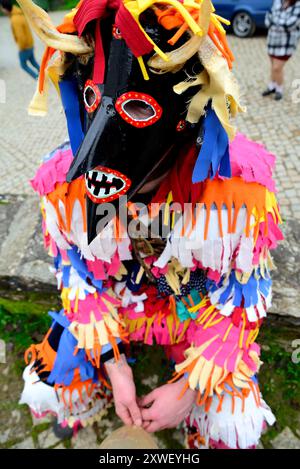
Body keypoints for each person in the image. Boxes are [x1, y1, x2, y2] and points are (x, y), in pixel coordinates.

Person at [17, 0, 283, 449]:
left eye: (138, 109)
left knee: (232, 412)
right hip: (122, 303)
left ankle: (201, 425)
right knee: (57, 372)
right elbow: (75, 272)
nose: (97, 157)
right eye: (90, 99)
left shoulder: (238, 193)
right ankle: (97, 392)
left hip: (191, 308)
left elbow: (240, 299)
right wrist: (112, 361)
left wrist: (191, 386)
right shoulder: (65, 183)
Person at [263, 0, 300, 100]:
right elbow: (268, 16)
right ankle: (272, 86)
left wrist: (274, 23)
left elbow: (291, 24)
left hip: (286, 44)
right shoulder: (278, 1)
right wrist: (275, 23)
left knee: (277, 67)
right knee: (273, 66)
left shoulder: (297, 5)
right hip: (272, 40)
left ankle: (279, 89)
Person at [0, 0, 40, 80]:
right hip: (30, 44)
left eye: (2, 8)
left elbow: (21, 37)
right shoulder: (19, 13)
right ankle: (43, 74)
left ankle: (36, 77)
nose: (1, 10)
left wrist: (21, 49)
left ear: (5, 9)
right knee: (33, 62)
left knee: (23, 65)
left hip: (25, 47)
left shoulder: (15, 19)